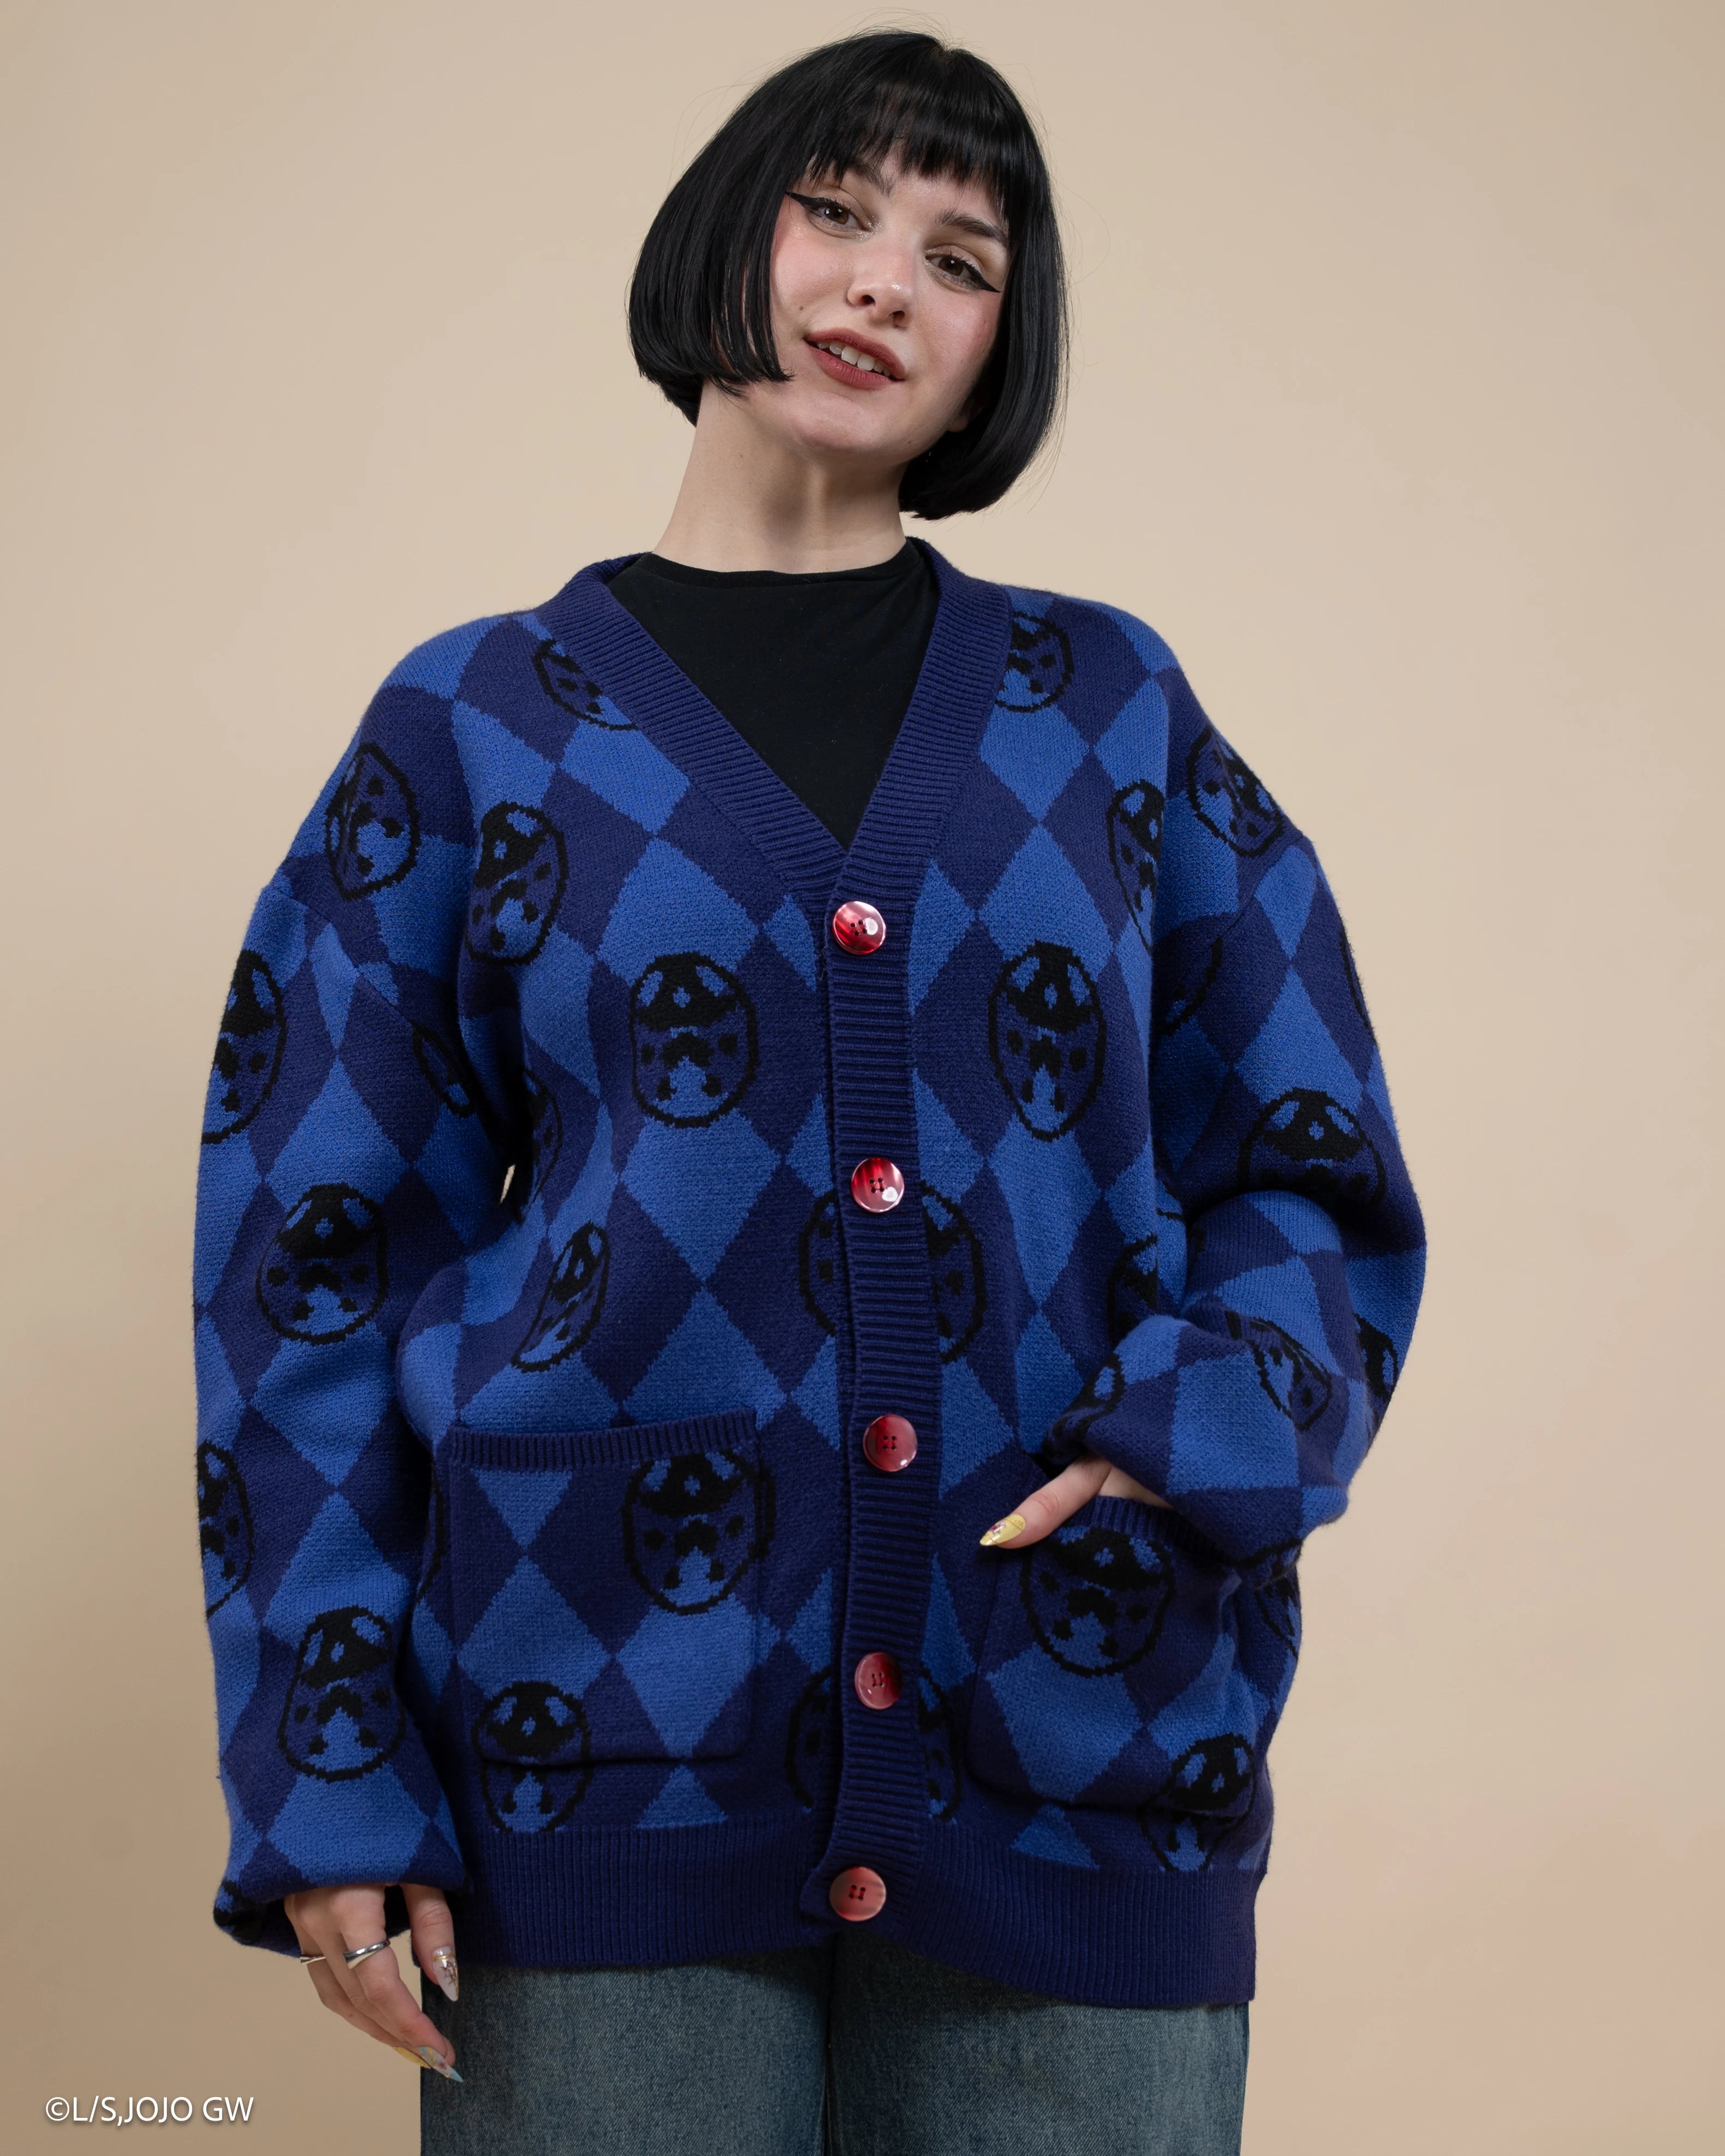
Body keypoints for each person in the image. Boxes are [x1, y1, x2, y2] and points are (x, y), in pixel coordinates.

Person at [191, 30, 1425, 2155]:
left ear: (999, 344)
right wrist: (331, 1772)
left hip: (1077, 1738)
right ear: (725, 236)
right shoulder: (479, 724)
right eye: (835, 210)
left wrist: (1193, 1434)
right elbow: (309, 1255)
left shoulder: (1103, 710)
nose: (880, 282)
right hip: (591, 1748)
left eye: (959, 257)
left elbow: (1309, 1158)